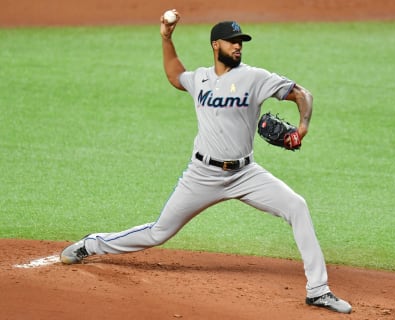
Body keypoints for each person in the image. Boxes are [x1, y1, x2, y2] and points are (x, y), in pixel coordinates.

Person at [60, 10, 352, 314]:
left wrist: (302, 128)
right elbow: (175, 75)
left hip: (246, 173)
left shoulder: (255, 77)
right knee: (159, 232)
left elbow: (302, 94)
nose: (238, 46)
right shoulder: (200, 78)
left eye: (241, 42)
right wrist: (166, 37)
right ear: (216, 45)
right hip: (202, 174)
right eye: (232, 42)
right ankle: (92, 244)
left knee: (297, 206)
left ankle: (318, 290)